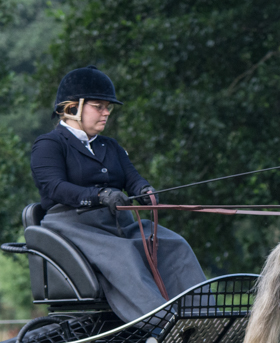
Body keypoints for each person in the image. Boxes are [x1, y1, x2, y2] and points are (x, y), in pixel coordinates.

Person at [30, 66, 206, 321]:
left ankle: (202, 317)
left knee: (173, 244)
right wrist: (100, 195)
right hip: (72, 226)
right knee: (124, 255)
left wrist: (144, 190)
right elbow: (54, 187)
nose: (106, 113)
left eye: (108, 108)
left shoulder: (109, 145)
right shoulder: (48, 145)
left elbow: (131, 178)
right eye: (98, 106)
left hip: (116, 224)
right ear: (72, 108)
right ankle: (161, 323)